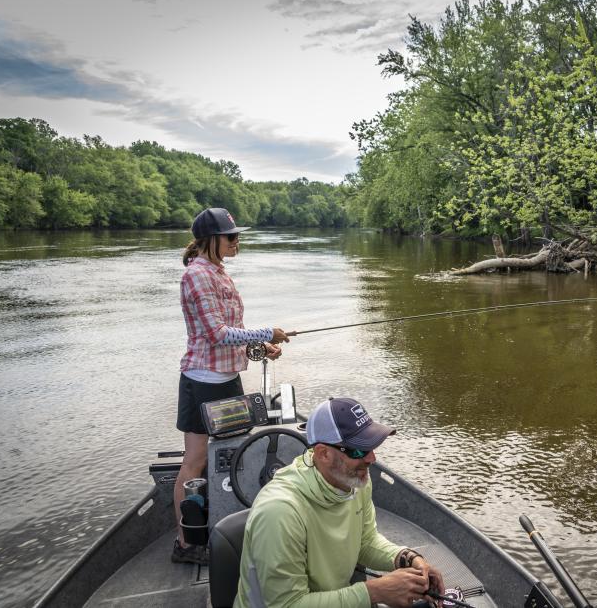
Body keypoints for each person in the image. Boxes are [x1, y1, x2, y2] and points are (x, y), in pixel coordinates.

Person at [234, 398, 445, 608]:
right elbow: (286, 604)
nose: (371, 458)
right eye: (359, 450)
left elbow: (365, 541)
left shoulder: (356, 481)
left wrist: (408, 558)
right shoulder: (279, 511)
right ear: (323, 453)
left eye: (371, 446)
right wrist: (374, 592)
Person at [173, 207, 291, 565]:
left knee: (236, 453)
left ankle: (234, 526)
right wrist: (266, 331)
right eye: (231, 236)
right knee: (194, 462)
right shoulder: (197, 276)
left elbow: (229, 336)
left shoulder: (219, 273)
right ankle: (186, 544)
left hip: (227, 379)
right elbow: (216, 334)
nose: (237, 241)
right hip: (202, 382)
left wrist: (259, 349)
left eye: (237, 235)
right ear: (212, 240)